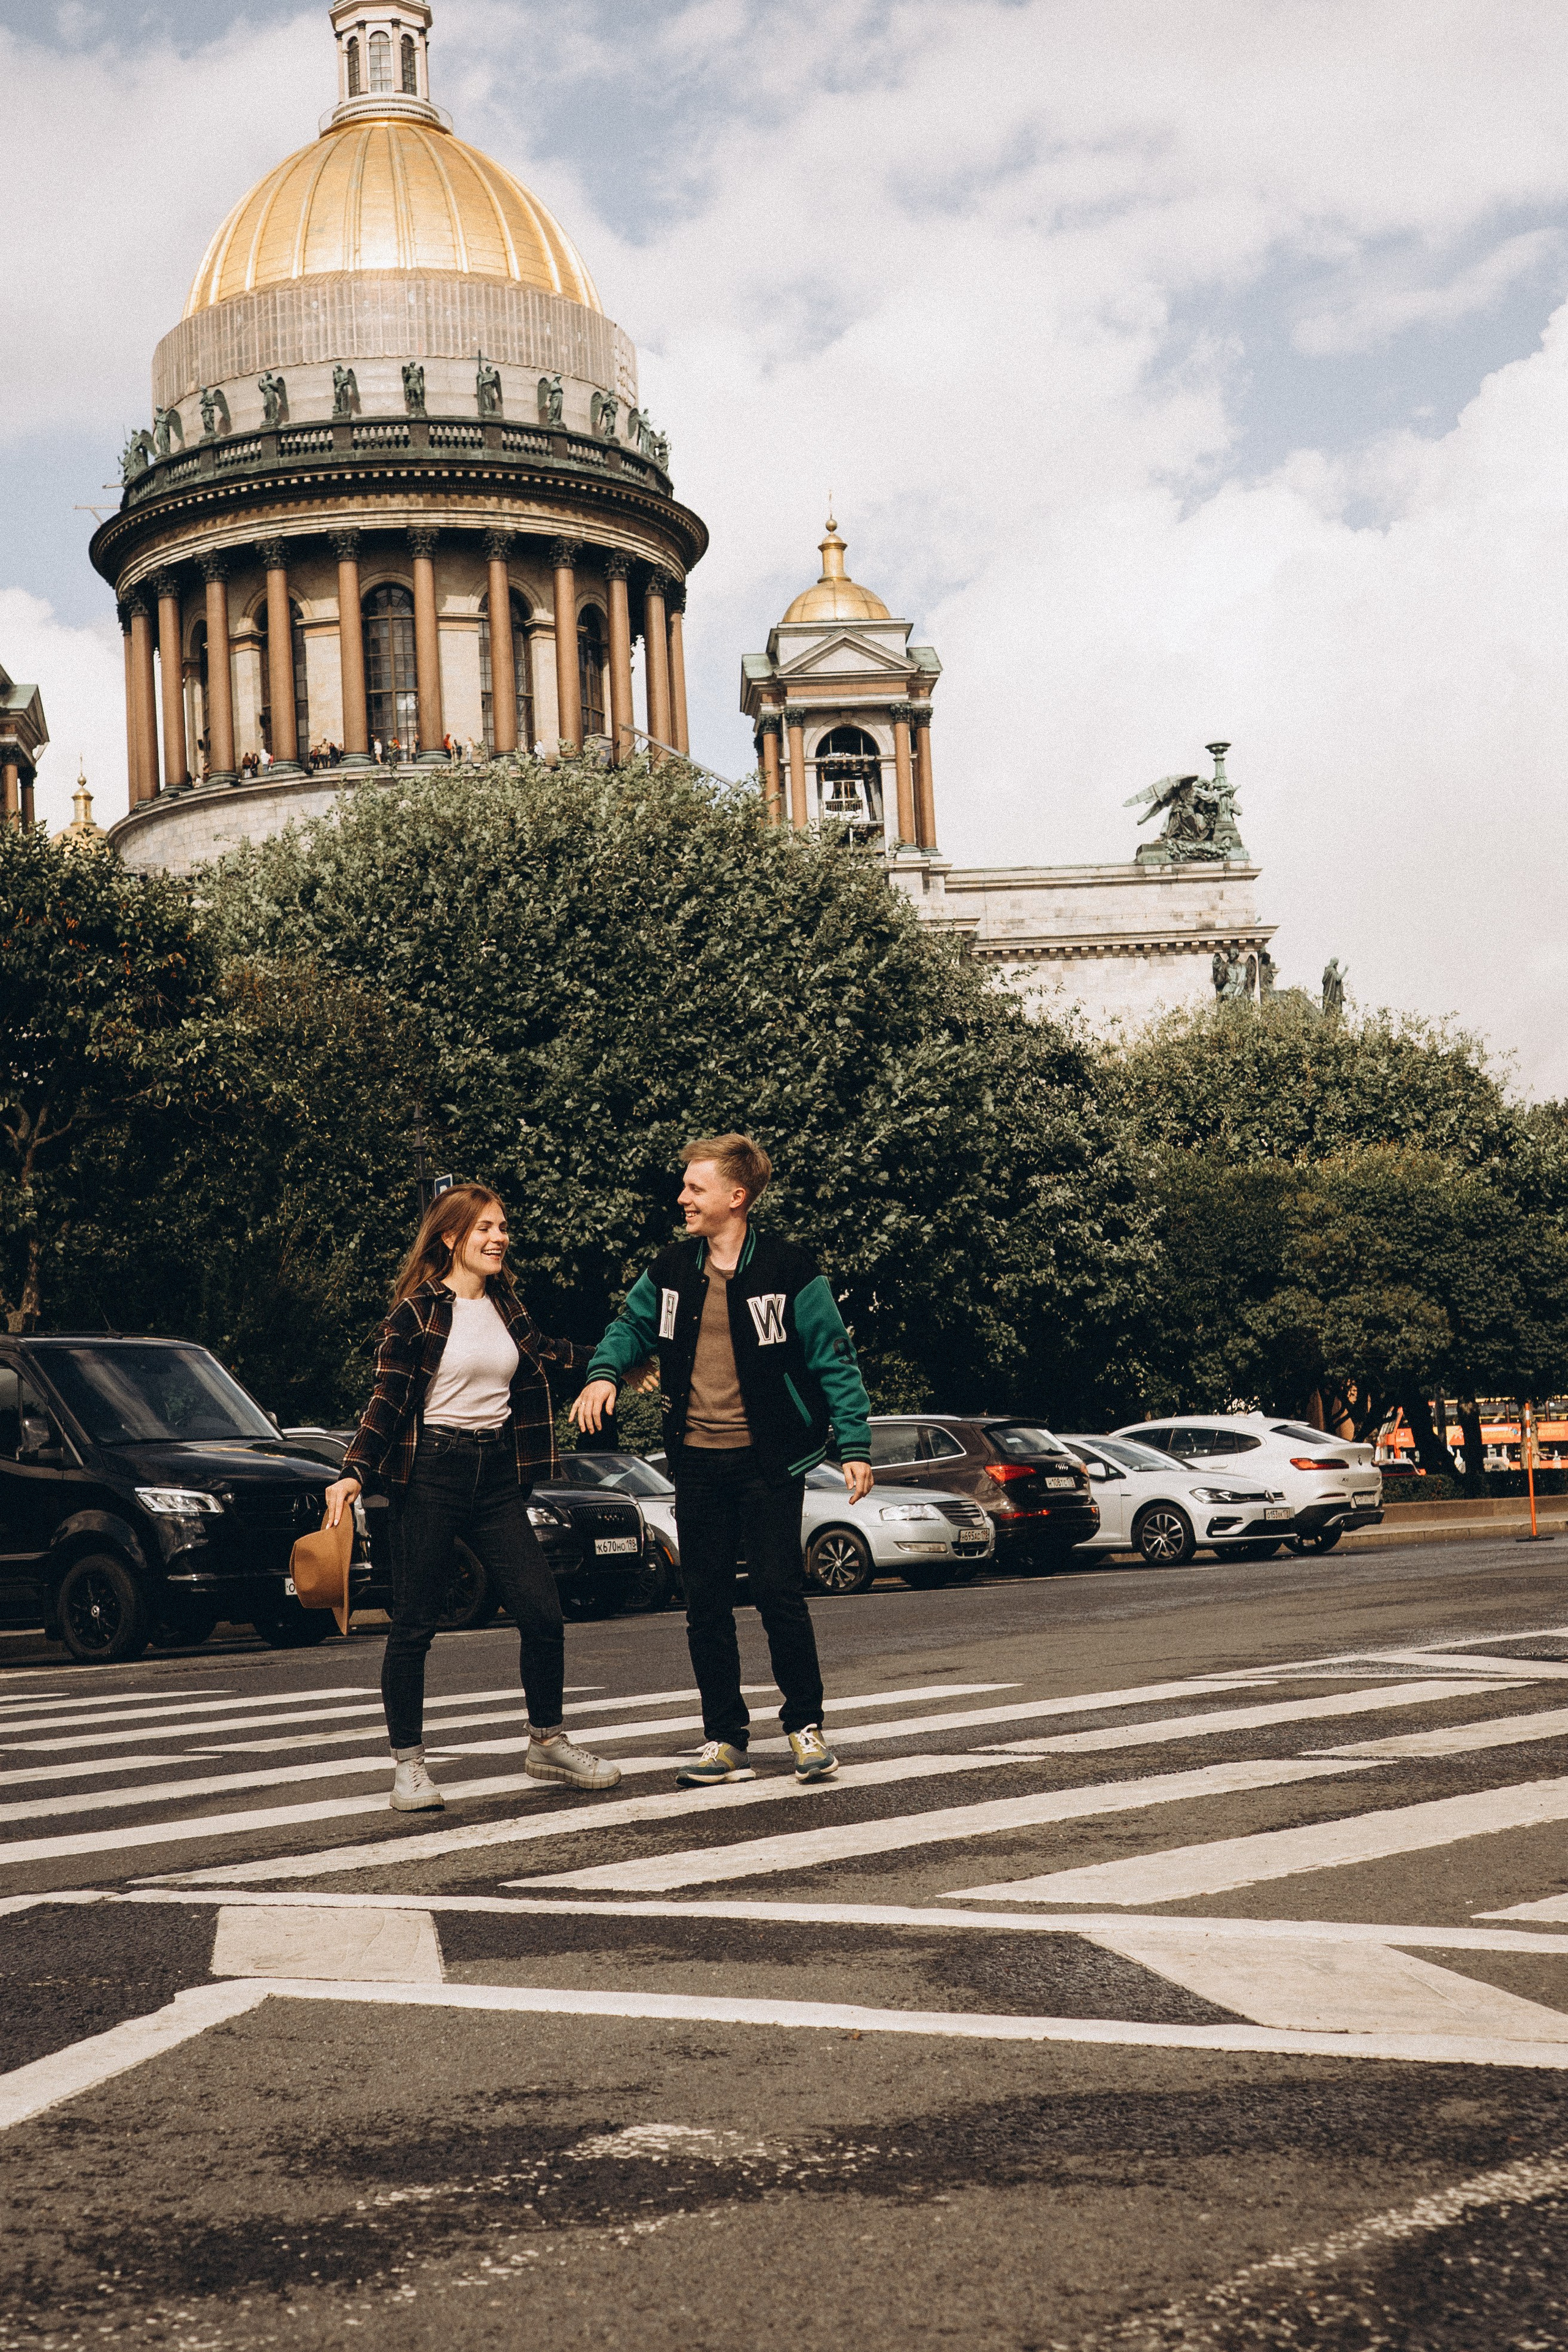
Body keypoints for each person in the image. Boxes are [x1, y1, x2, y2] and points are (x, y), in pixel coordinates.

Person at [571, 1133, 873, 1789]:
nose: (682, 1197)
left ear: (736, 1198)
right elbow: (629, 1327)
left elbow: (833, 1360)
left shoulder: (789, 1271)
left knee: (775, 1592)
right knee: (704, 1601)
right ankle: (724, 1738)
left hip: (770, 1462)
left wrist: (853, 1447)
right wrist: (605, 1374)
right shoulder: (673, 1268)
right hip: (698, 1461)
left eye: (694, 1187)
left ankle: (804, 1727)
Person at [324, 1184, 620, 1812]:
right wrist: (354, 1472)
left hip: (495, 1476)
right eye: (485, 1227)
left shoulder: (508, 1307)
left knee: (541, 1612)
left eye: (503, 1227)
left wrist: (620, 1362)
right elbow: (387, 1400)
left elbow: (554, 1355)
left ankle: (546, 1741)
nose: (498, 1238)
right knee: (414, 1625)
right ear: (451, 1238)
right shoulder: (417, 1312)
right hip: (430, 1472)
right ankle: (409, 1766)